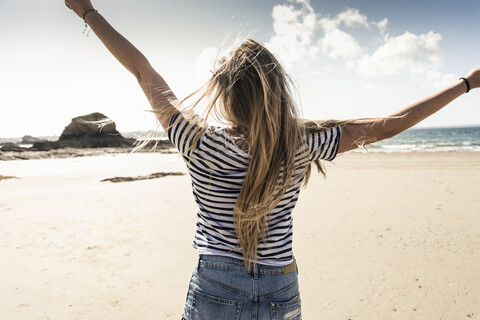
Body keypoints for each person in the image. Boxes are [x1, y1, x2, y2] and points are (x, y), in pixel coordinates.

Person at [65, 1, 479, 319]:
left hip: (215, 283)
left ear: (225, 94)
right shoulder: (300, 144)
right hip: (283, 289)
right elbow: (392, 124)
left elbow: (142, 70)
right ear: (277, 90)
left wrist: (85, 9)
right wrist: (467, 83)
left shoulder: (195, 141)